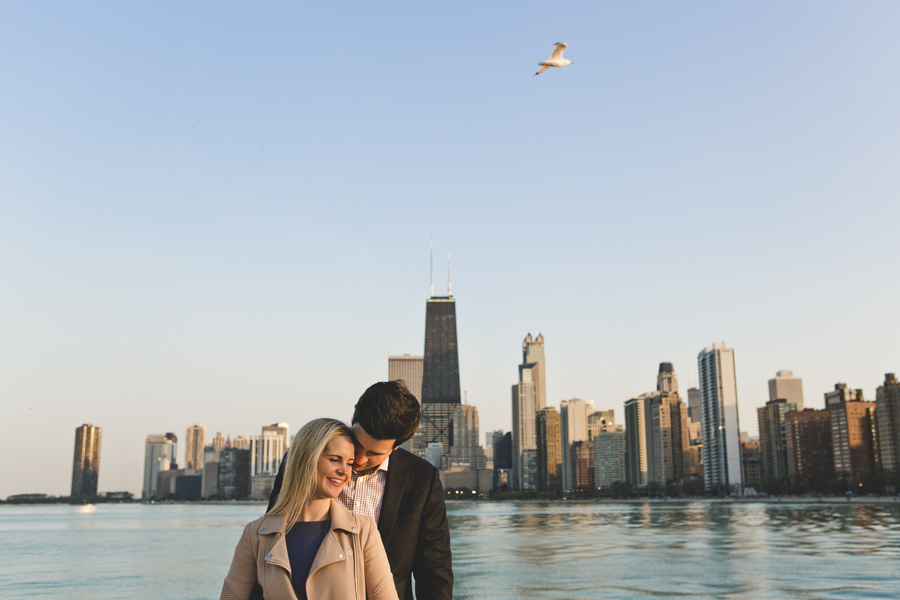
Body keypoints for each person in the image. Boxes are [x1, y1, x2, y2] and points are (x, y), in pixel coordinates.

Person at [267, 381, 453, 600]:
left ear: (396, 446)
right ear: (354, 413)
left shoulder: (422, 478)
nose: (360, 459)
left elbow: (434, 571)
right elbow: (271, 543)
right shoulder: (303, 461)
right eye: (358, 443)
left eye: (374, 453)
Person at [220, 418, 398, 600]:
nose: (345, 472)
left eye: (350, 463)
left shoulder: (363, 531)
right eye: (335, 460)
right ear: (306, 459)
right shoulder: (256, 534)